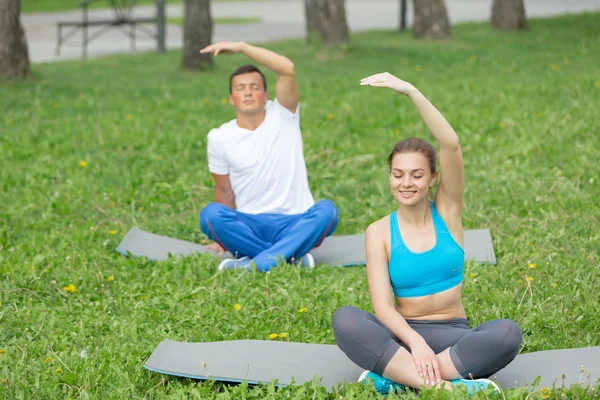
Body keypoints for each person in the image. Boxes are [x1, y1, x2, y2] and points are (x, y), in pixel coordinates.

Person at [331, 73, 522, 395]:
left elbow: (451, 144)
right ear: (390, 177)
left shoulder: (448, 213)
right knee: (346, 320)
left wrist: (411, 91)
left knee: (507, 333)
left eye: (417, 175)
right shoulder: (378, 232)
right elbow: (382, 306)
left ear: (433, 177)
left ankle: (398, 378)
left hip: (454, 336)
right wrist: (415, 343)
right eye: (398, 174)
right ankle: (448, 389)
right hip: (403, 336)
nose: (406, 183)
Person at [198, 41, 338, 272]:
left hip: (295, 221)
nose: (248, 92)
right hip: (250, 224)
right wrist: (220, 238)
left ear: (265, 95)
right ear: (231, 98)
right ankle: (290, 257)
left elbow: (287, 68)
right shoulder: (219, 137)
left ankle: (256, 263)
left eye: (254, 87)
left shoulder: (284, 115)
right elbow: (224, 191)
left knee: (327, 211)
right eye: (240, 88)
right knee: (210, 214)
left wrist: (241, 47)